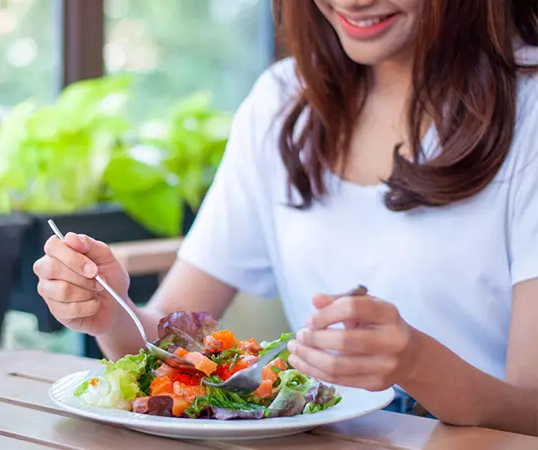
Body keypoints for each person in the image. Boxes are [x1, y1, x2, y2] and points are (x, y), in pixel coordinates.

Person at [33, 0, 538, 436]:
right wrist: (108, 309)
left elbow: (531, 408)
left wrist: (417, 366)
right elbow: (166, 348)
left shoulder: (530, 108)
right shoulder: (284, 103)